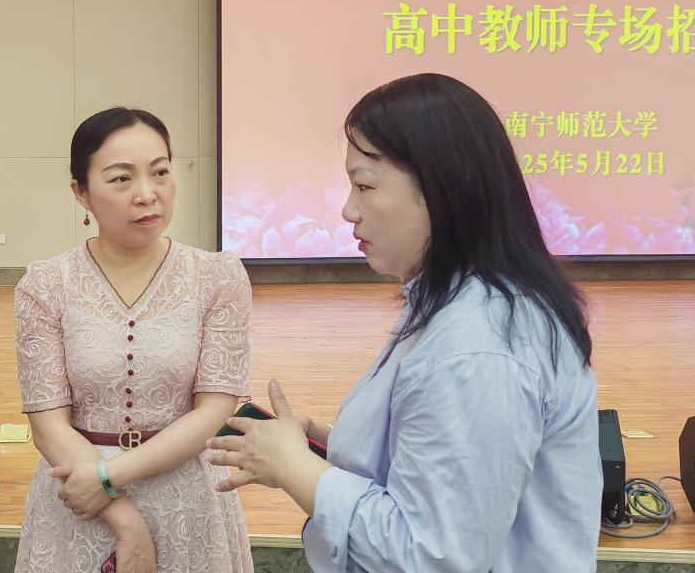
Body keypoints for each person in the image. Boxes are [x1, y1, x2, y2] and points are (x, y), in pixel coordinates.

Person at [207, 73, 601, 573]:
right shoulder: (455, 304)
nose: (348, 210)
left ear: (440, 190)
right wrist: (326, 444)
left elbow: (431, 556)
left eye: (365, 185)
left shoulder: (475, 349)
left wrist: (296, 467)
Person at [13, 107, 254, 573]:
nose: (147, 194)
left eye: (160, 172)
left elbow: (215, 410)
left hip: (184, 499)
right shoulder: (46, 285)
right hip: (80, 502)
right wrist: (121, 516)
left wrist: (107, 477)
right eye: (121, 179)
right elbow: (48, 424)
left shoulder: (217, 277)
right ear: (81, 192)